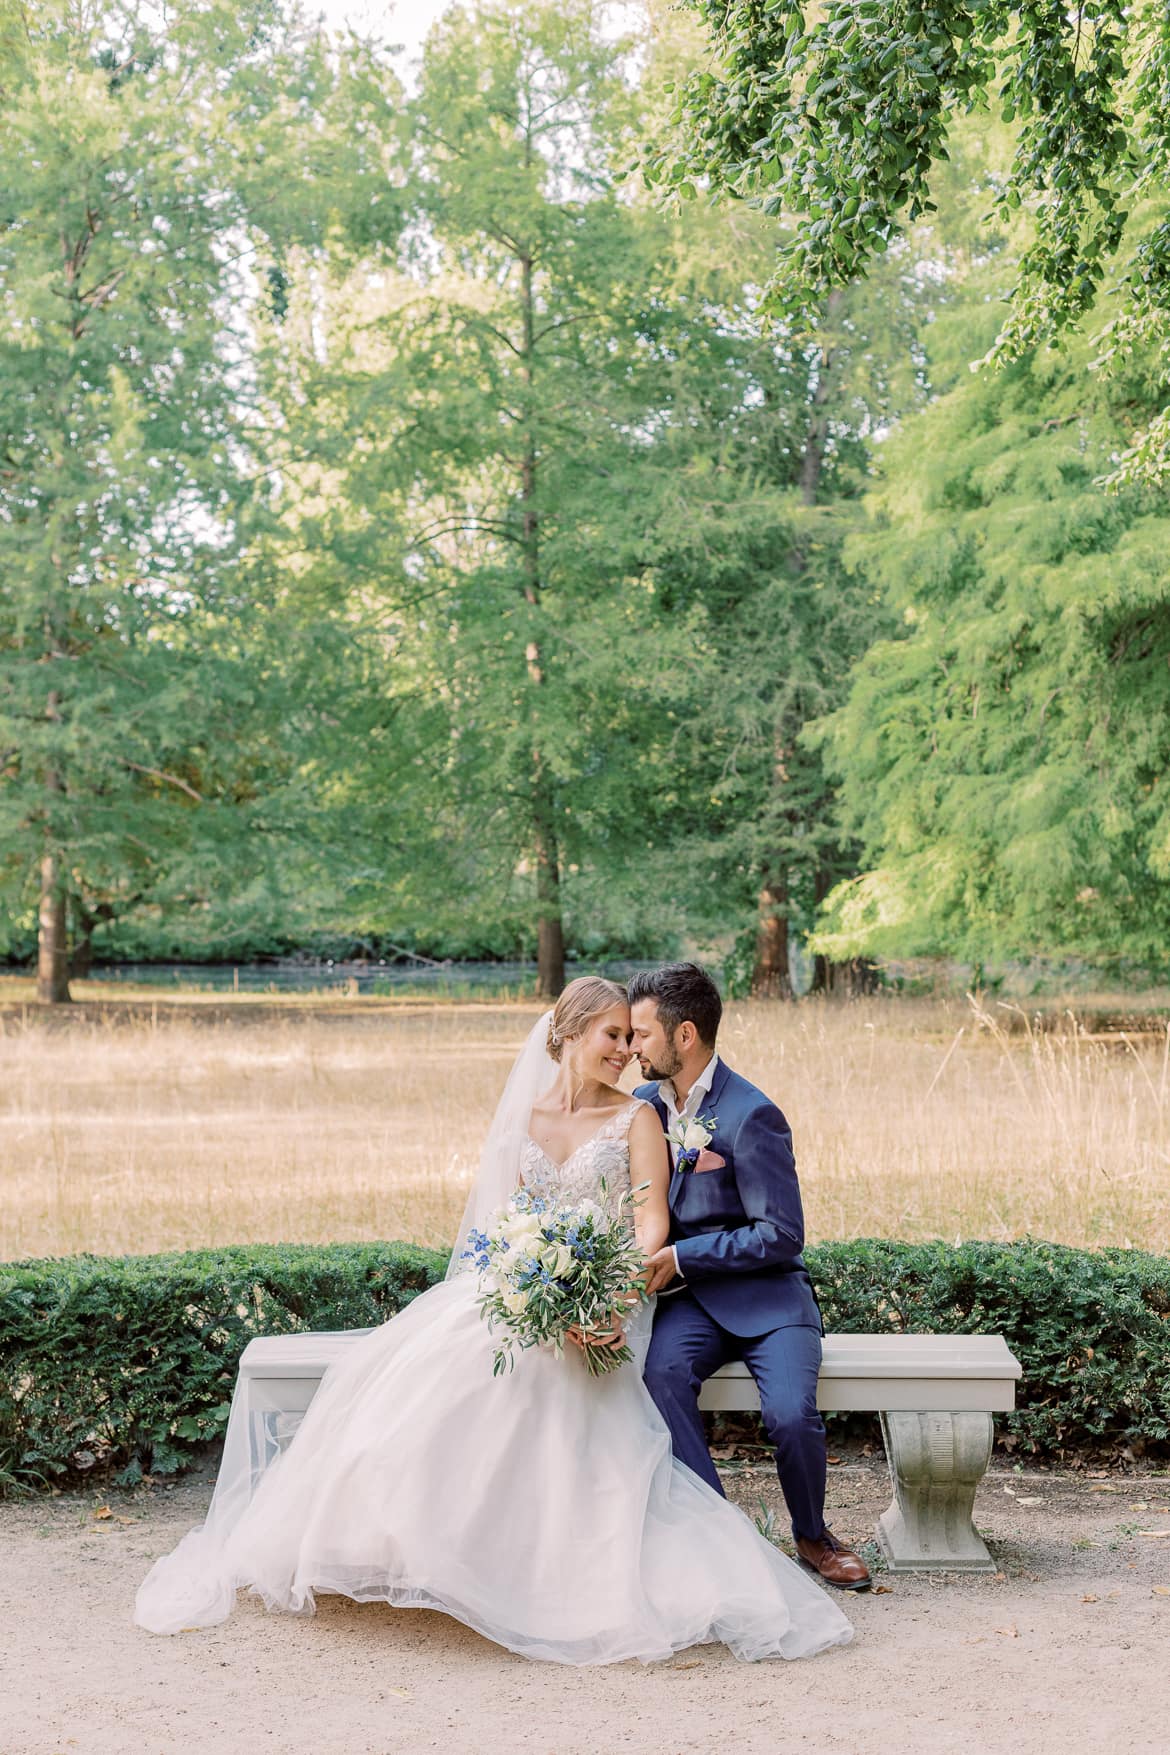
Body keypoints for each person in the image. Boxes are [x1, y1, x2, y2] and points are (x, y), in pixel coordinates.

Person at [135, 976, 853, 1664]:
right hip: (528, 1298)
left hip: (607, 1302)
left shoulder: (640, 1116)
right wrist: (531, 1292)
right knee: (434, 1379)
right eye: (612, 1034)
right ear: (567, 1032)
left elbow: (647, 1224)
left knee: (557, 1395)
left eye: (632, 1037)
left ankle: (570, 1563)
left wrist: (602, 1302)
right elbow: (508, 1226)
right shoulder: (528, 1120)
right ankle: (412, 1547)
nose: (626, 1049)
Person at [631, 962, 871, 1591]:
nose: (632, 1048)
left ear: (684, 1036)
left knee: (791, 1414)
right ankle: (720, 1534)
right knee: (660, 1379)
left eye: (641, 1034)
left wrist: (684, 1257)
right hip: (690, 1306)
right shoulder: (638, 1109)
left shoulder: (751, 1113)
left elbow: (782, 1234)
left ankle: (815, 1537)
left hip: (769, 1302)